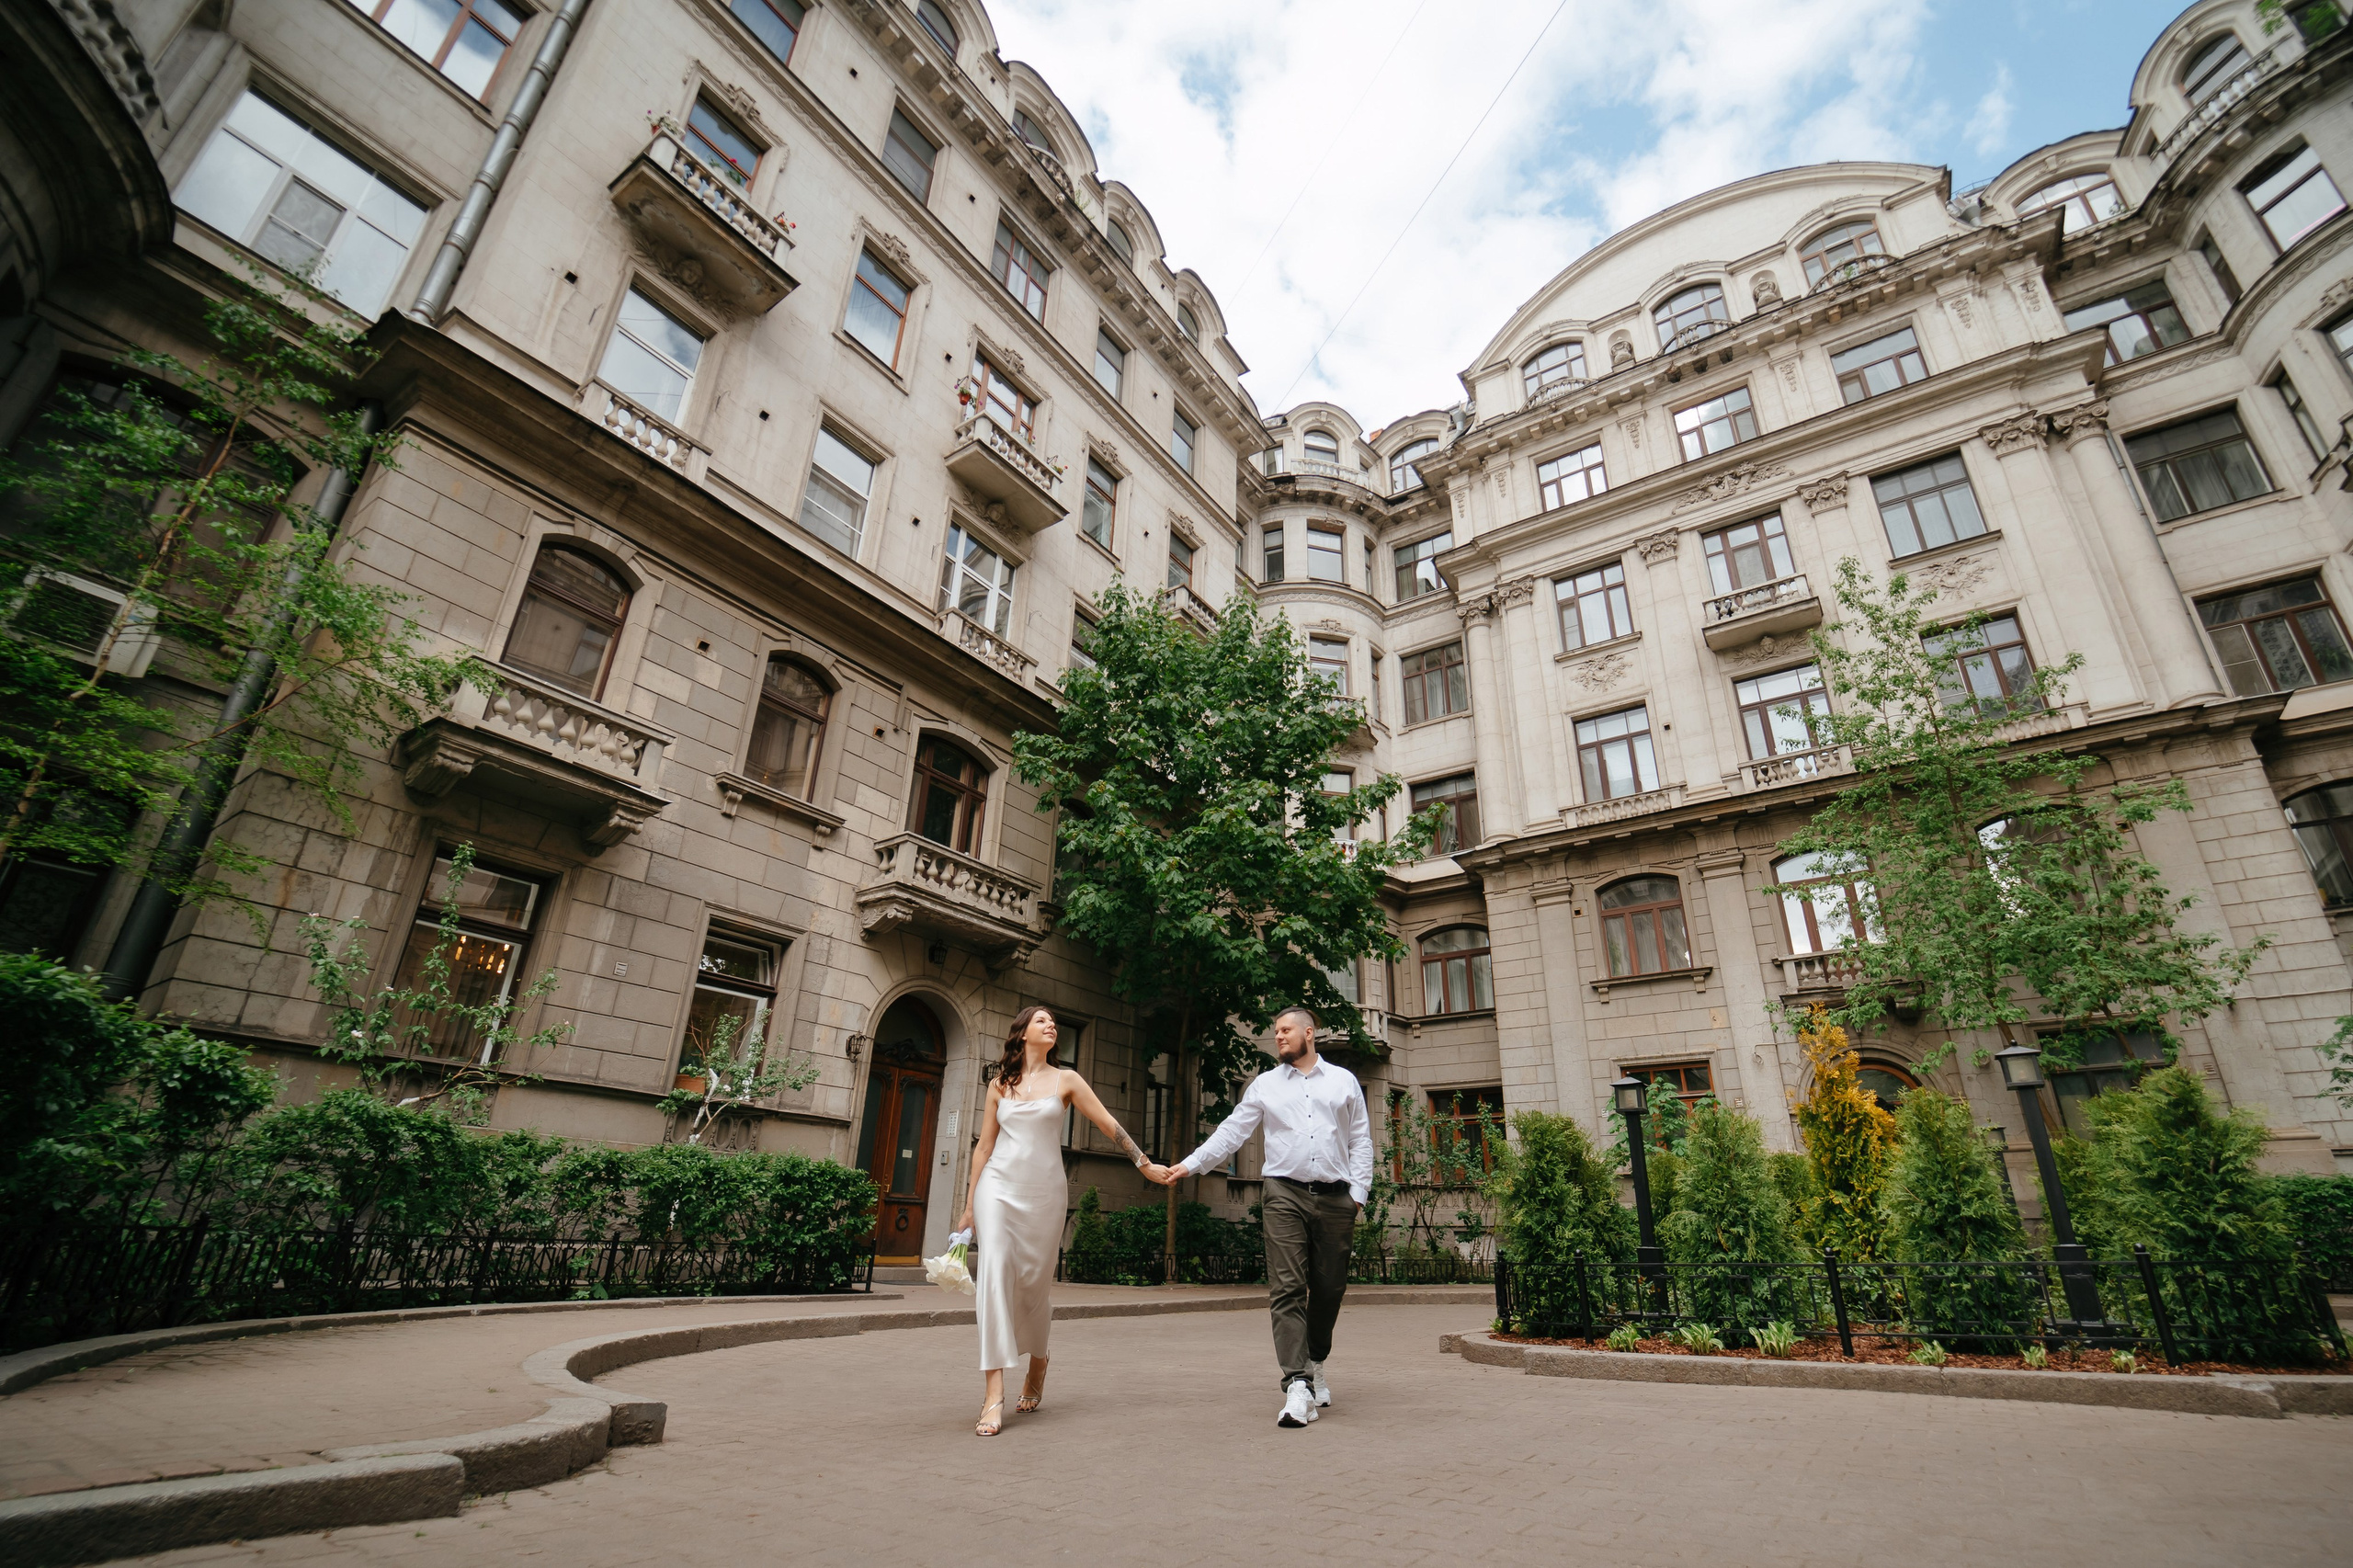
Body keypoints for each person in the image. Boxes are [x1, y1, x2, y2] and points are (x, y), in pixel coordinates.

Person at [1150, 1006, 1373, 1428]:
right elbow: (1232, 1131)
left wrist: (1357, 1195)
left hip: (1336, 1198)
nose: (1279, 1037)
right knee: (1287, 1288)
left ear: (1310, 1032)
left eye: (1286, 1030)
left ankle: (1315, 1360)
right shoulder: (1265, 1085)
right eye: (1276, 1031)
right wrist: (1191, 1164)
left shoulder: (1343, 1081)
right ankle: (1297, 1385)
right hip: (1283, 1194)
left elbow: (1360, 1138)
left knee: (1330, 1289)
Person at [957, 1003, 1165, 1436]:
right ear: (1023, 1032)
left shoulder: (1066, 1079)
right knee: (994, 1273)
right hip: (998, 1188)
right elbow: (984, 1146)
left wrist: (1143, 1163)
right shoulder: (999, 1084)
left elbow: (1107, 1123)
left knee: (1034, 1286)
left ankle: (1039, 1360)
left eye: (1053, 1022)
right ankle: (993, 1393)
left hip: (1044, 1195)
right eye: (1041, 1020)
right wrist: (970, 1204)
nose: (1050, 1025)